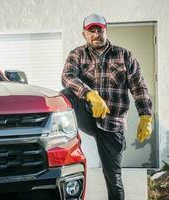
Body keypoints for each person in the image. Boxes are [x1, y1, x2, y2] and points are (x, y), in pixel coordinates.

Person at [61, 13, 152, 200]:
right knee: (65, 94)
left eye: (99, 30)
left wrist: (146, 115)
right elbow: (67, 77)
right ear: (84, 34)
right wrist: (90, 94)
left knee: (113, 177)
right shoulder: (77, 54)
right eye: (91, 31)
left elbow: (138, 86)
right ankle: (63, 134)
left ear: (106, 31)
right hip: (88, 115)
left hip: (112, 123)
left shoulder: (124, 55)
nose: (96, 34)